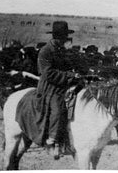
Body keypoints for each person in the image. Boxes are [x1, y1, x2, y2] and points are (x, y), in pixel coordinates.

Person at [36, 21, 81, 151]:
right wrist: (69, 75)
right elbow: (47, 73)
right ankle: (52, 138)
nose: (65, 39)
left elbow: (70, 65)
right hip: (50, 86)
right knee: (57, 108)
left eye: (65, 36)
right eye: (62, 36)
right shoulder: (45, 51)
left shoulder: (63, 50)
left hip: (64, 83)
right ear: (56, 37)